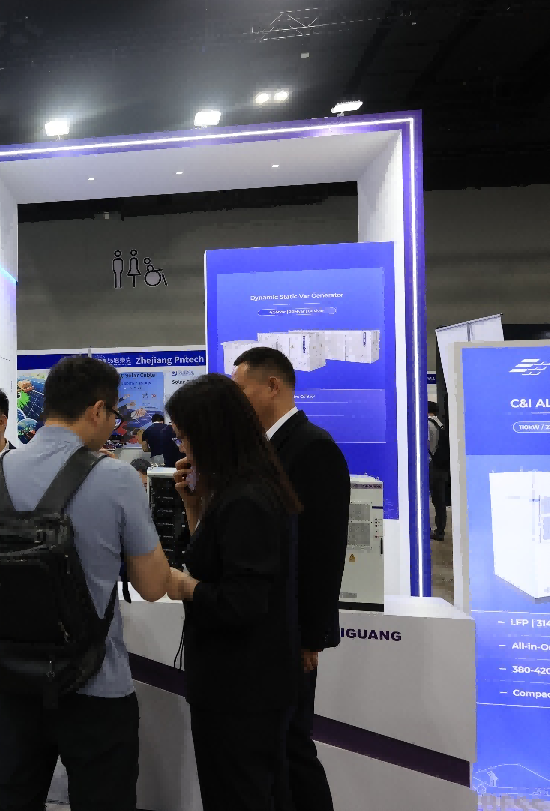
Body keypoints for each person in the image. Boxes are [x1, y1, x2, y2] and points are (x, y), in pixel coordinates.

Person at [0, 356, 171, 811]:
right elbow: (153, 586)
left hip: (12, 676)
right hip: (95, 679)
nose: (113, 424)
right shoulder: (116, 477)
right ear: (96, 410)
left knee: (15, 797)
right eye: (113, 414)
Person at [162, 373, 301, 811]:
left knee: (236, 794)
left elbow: (243, 602)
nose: (182, 448)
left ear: (211, 434)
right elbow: (216, 560)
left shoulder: (247, 500)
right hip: (238, 680)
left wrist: (183, 586)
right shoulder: (239, 490)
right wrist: (194, 506)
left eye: (185, 437)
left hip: (242, 684)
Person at [232, 346, 350, 811]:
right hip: (269, 624)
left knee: (293, 745)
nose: (237, 402)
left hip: (293, 630)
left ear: (272, 386)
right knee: (276, 746)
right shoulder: (265, 448)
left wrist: (311, 637)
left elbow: (324, 549)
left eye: (242, 390)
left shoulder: (311, 447)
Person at [428, 401, 449, 541]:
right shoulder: (440, 424)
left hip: (432, 467)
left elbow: (429, 447)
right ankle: (440, 531)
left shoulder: (428, 424)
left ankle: (427, 529)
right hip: (443, 467)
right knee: (440, 501)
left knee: (425, 498)